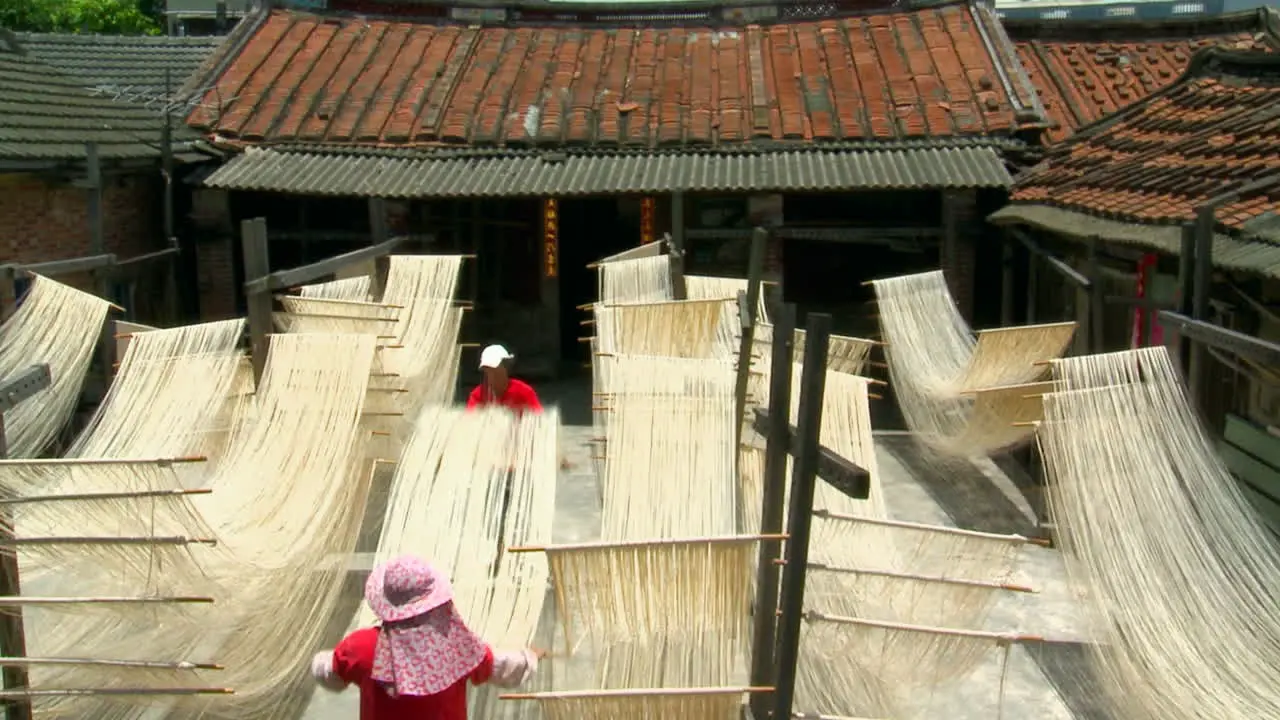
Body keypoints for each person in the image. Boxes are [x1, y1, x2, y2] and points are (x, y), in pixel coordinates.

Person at [311, 555, 542, 720]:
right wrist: (531, 656)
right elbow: (505, 669)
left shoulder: (361, 646)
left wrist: (326, 660)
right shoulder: (456, 645)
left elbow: (327, 673)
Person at [466, 344, 543, 415]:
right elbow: (470, 423)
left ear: (506, 367)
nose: (491, 374)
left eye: (495, 369)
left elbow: (539, 420)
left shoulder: (524, 392)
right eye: (487, 370)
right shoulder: (477, 395)